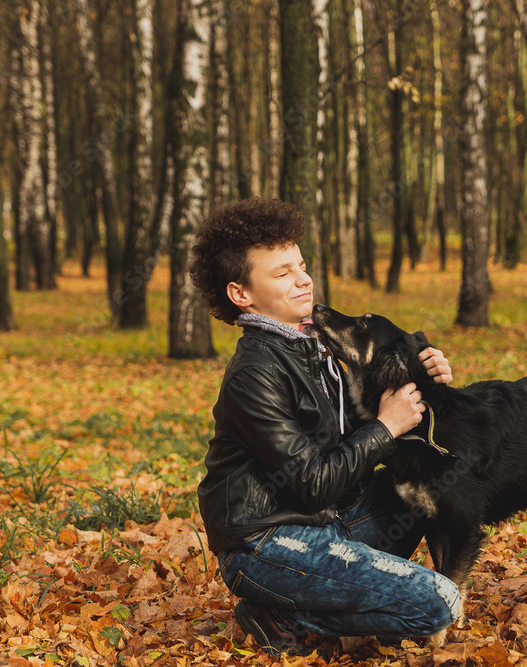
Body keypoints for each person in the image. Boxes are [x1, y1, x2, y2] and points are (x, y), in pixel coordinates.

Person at [189, 198, 460, 654]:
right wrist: (385, 426)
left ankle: (338, 589)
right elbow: (315, 481)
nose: (304, 278)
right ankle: (280, 614)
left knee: (428, 490)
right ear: (241, 294)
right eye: (282, 273)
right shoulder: (255, 372)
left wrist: (423, 382)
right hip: (266, 541)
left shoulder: (313, 345)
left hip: (330, 519)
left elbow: (375, 439)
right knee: (438, 603)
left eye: (302, 265)